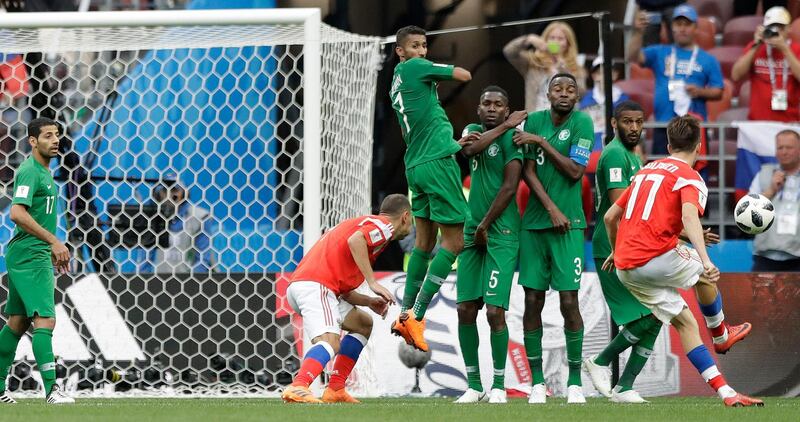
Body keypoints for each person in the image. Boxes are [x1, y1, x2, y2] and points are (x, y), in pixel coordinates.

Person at [602, 115, 763, 407]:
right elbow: (689, 216)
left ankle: (726, 393)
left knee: (686, 323)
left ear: (667, 144)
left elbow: (610, 216)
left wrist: (617, 250)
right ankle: (721, 333)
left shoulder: (646, 170)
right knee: (703, 271)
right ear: (699, 148)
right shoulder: (690, 177)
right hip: (654, 258)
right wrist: (705, 258)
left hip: (626, 266)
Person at [280, 194, 413, 404]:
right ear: (405, 216)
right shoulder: (384, 226)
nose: (411, 227)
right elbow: (355, 240)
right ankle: (299, 385)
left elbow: (343, 288)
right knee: (330, 341)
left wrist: (369, 301)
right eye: (412, 220)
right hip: (315, 286)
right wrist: (373, 282)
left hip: (314, 286)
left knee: (363, 323)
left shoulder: (368, 227)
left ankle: (336, 388)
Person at [388, 25, 472, 352]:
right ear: (400, 51)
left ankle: (404, 311)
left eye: (424, 46)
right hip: (437, 162)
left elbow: (423, 116)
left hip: (417, 165)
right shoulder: (416, 68)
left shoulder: (397, 78)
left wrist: (450, 141)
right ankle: (418, 315)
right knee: (456, 240)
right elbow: (463, 75)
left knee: (424, 242)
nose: (422, 51)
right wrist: (437, 70)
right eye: (415, 46)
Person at [513, 73, 592, 404]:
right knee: (533, 301)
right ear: (548, 93)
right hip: (534, 226)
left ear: (577, 96)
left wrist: (543, 142)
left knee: (569, 301)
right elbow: (527, 171)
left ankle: (574, 380)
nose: (564, 93)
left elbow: (576, 171)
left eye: (570, 89)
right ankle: (536, 382)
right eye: (558, 88)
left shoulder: (583, 123)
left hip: (569, 226)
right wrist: (549, 209)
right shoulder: (534, 119)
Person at [453, 86, 526, 404]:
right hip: (472, 233)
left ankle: (498, 385)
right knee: (465, 309)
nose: (492, 108)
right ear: (479, 109)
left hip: (502, 233)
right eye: (487, 104)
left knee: (495, 312)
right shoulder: (472, 131)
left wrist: (485, 225)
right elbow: (469, 151)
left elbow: (511, 187)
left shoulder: (513, 140)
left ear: (507, 108)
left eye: (499, 104)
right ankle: (473, 384)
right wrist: (507, 125)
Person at [0, 117, 74, 404]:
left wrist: (51, 246)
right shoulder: (30, 171)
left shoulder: (44, 172)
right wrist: (53, 241)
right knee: (45, 319)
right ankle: (53, 391)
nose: (55, 140)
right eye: (47, 136)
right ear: (32, 141)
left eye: (56, 135)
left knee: (17, 323)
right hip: (31, 253)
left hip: (31, 252)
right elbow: (16, 213)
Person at [627, 4, 723, 155]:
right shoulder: (660, 51)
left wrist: (700, 92)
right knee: (663, 173)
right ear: (671, 27)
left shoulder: (708, 59)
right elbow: (632, 57)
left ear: (695, 27)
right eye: (678, 24)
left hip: (693, 128)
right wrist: (638, 32)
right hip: (663, 126)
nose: (682, 28)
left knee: (694, 175)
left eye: (687, 24)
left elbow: (719, 91)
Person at [731, 6, 800, 123]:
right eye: (771, 27)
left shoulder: (796, 49)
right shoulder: (755, 47)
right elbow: (736, 75)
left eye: (780, 27)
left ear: (788, 29)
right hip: (758, 122)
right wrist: (756, 45)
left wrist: (785, 49)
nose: (776, 31)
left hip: (789, 122)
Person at [503, 21, 587, 112]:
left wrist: (563, 69)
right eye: (552, 38)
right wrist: (529, 39)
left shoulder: (576, 67)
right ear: (545, 40)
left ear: (568, 44)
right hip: (536, 119)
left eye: (560, 38)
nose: (555, 42)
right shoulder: (533, 62)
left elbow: (581, 94)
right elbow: (509, 52)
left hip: (564, 121)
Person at [748, 129, 800, 271]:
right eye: (780, 148)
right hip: (766, 258)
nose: (784, 152)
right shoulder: (763, 174)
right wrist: (770, 190)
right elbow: (746, 217)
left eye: (789, 147)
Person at [151, 182, 216, 273]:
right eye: (165, 190)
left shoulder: (200, 217)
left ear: (184, 193)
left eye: (174, 190)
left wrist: (192, 284)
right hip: (160, 280)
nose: (170, 194)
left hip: (189, 280)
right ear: (159, 193)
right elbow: (145, 259)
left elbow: (202, 258)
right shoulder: (152, 217)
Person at [578, 56, 630, 167]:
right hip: (592, 150)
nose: (604, 76)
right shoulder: (586, 101)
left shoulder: (624, 100)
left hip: (617, 147)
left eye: (608, 72)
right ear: (594, 76)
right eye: (600, 72)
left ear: (615, 75)